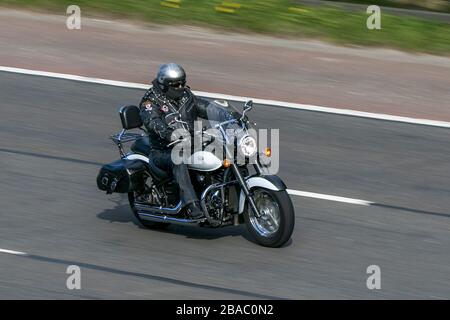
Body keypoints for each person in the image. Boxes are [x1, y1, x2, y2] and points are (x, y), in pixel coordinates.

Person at [138, 63, 211, 220]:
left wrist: (230, 114)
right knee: (179, 159)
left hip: (191, 143)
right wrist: (171, 135)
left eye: (182, 83)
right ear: (164, 85)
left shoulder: (185, 95)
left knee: (223, 147)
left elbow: (204, 106)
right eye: (175, 84)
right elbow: (153, 122)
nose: (180, 87)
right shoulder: (150, 101)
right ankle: (191, 205)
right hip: (163, 151)